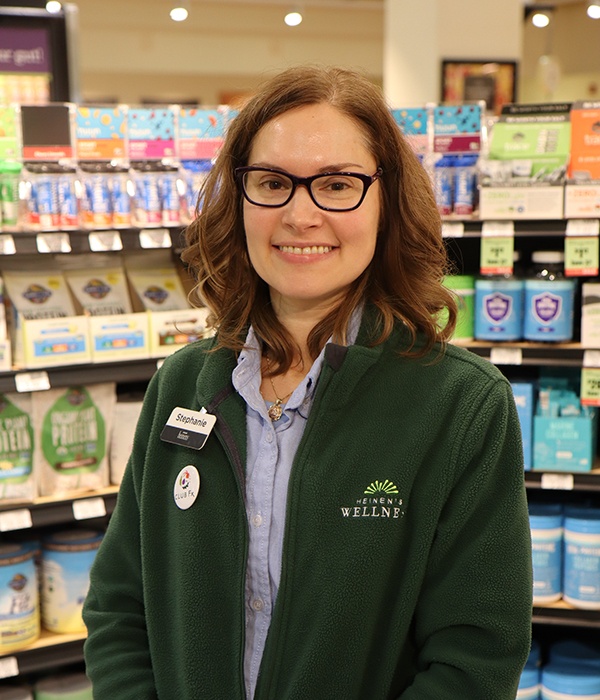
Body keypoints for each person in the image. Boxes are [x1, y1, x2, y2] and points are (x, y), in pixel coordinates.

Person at [83, 64, 533, 699]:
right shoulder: (183, 384)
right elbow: (119, 608)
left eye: (337, 184)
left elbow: (476, 658)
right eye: (272, 183)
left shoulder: (460, 406)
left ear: (387, 202)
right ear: (238, 199)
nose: (300, 215)